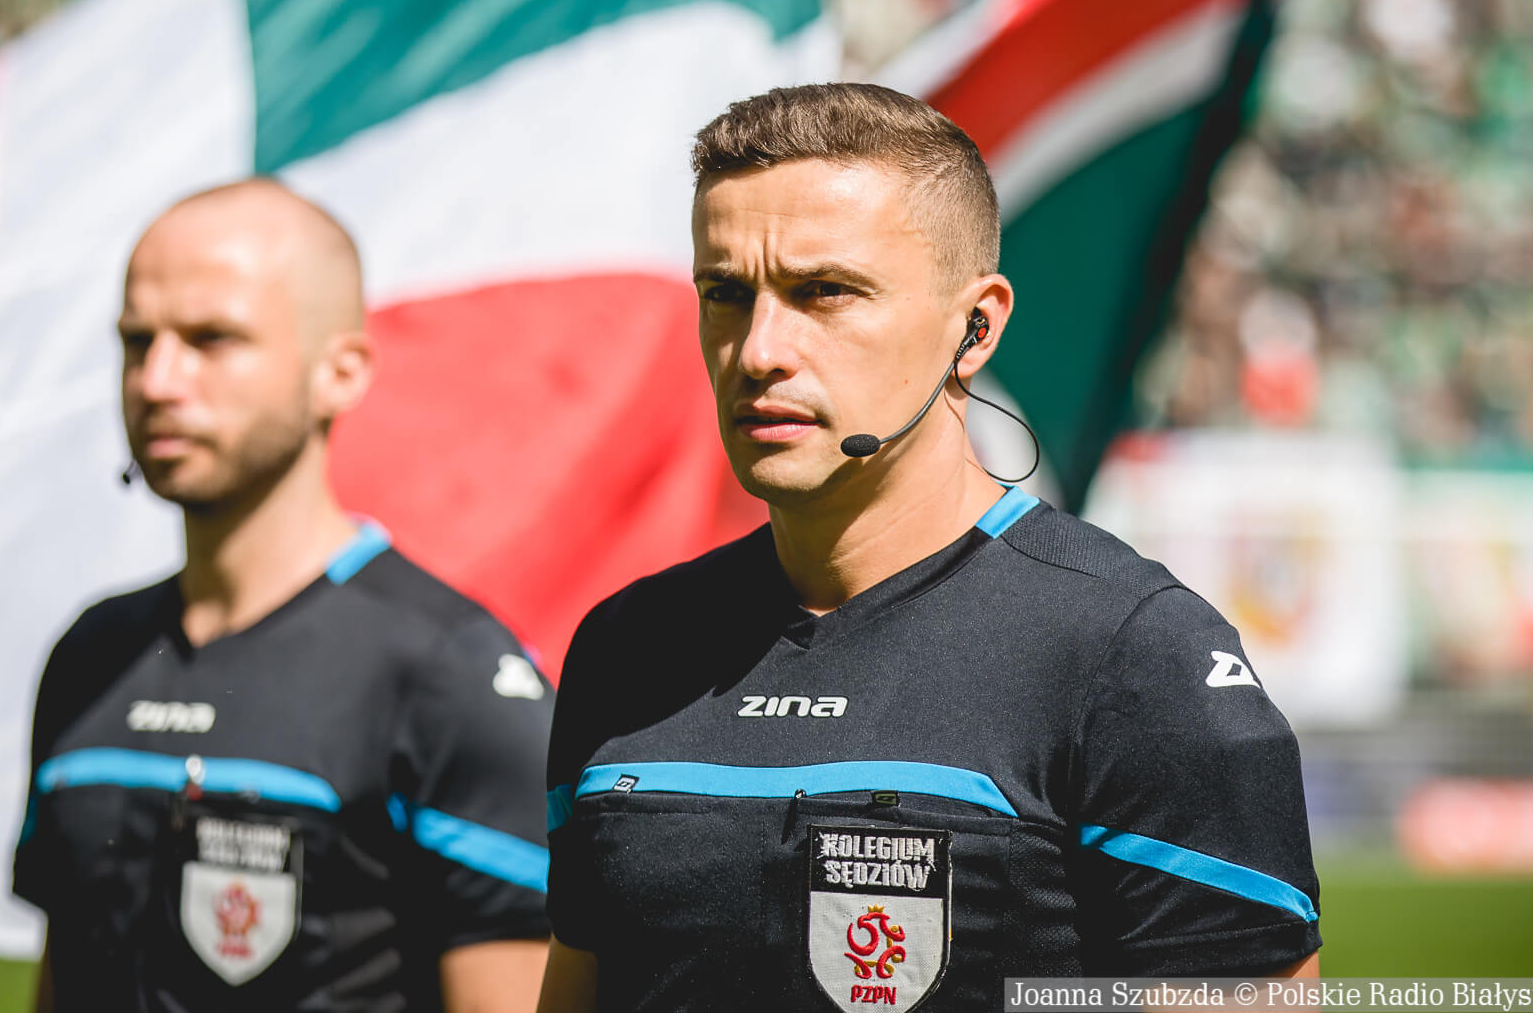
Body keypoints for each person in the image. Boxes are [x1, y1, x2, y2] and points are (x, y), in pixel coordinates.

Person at [536, 84, 1322, 1012]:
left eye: (824, 291)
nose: (757, 351)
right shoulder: (627, 646)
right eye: (726, 294)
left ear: (975, 326)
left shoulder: (1136, 656)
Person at [14, 180, 554, 1013]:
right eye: (137, 341)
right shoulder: (90, 654)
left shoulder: (449, 677)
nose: (157, 380)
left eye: (212, 339)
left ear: (340, 373)